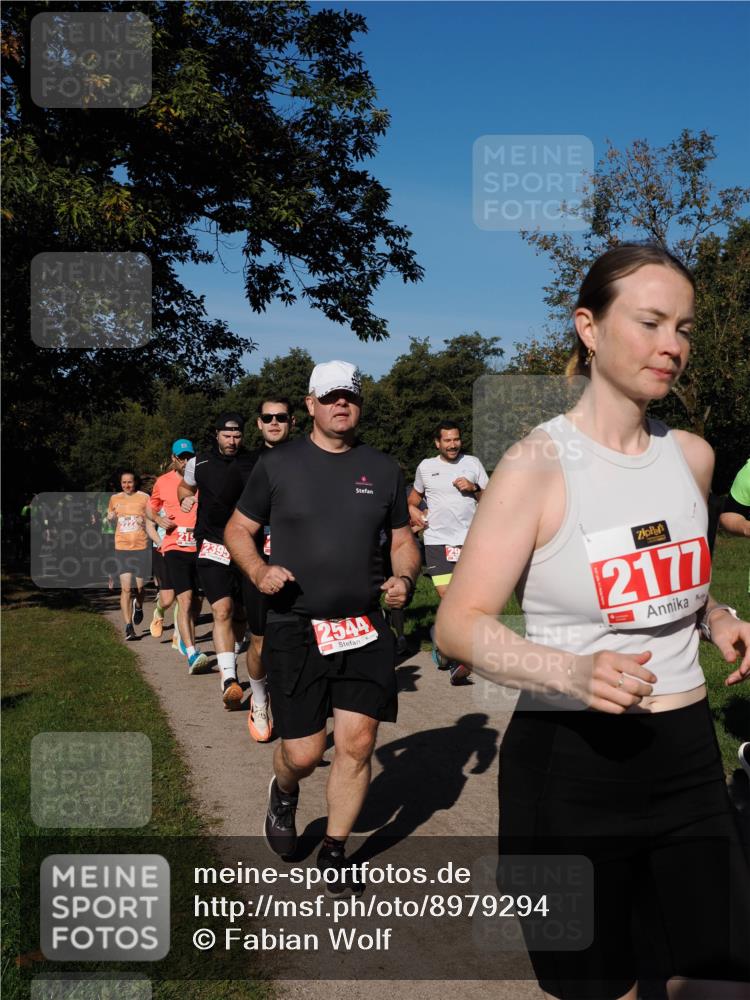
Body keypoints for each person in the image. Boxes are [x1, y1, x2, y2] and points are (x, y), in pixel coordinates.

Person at [435, 244, 750, 1000]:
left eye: (684, 328)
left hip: (687, 757)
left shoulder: (694, 456)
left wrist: (718, 617)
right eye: (648, 322)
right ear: (590, 326)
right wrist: (570, 671)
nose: (671, 345)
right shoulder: (536, 464)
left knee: (722, 977)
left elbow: (678, 583)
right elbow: (457, 623)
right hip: (573, 767)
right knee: (607, 988)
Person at [225, 360, 420, 891]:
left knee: (356, 744)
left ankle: (334, 851)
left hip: (363, 625)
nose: (342, 405)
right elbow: (237, 530)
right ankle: (285, 790)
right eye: (330, 397)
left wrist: (404, 576)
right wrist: (260, 570)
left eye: (350, 398)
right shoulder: (279, 464)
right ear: (310, 404)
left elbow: (402, 539)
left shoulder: (382, 468)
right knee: (307, 751)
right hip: (296, 624)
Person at [178, 413, 270, 738]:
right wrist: (185, 498)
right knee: (222, 609)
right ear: (216, 435)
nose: (232, 441)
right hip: (212, 545)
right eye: (227, 435)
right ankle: (229, 679)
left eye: (237, 436)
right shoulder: (198, 463)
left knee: (243, 616)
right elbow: (183, 487)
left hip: (247, 548)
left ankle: (241, 659)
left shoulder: (254, 462)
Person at [408, 421, 488, 684]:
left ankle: (441, 639)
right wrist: (417, 515)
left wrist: (474, 488)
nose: (453, 445)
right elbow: (412, 500)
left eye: (456, 440)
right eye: (447, 441)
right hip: (437, 542)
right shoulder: (426, 467)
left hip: (469, 541)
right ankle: (458, 658)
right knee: (450, 598)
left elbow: (492, 498)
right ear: (437, 443)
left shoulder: (473, 464)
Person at [238, 396, 296, 741]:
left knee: (299, 642)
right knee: (259, 642)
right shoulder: (244, 464)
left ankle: (301, 721)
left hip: (299, 565)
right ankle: (259, 700)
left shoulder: (308, 459)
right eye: (267, 417)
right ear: (258, 423)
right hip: (258, 565)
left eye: (281, 417)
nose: (274, 422)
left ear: (291, 421)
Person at [148, 439, 209, 674]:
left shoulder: (201, 479)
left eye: (189, 457)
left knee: (197, 602)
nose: (185, 461)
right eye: (181, 457)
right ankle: (192, 652)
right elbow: (150, 507)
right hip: (174, 545)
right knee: (183, 600)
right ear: (173, 458)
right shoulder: (163, 482)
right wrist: (158, 519)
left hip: (200, 544)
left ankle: (184, 636)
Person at [107, 470, 150, 640]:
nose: (127, 485)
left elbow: (152, 519)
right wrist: (109, 518)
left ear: (135, 482)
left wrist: (144, 521)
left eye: (130, 482)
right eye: (124, 482)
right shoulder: (114, 499)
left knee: (139, 588)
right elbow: (111, 518)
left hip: (140, 547)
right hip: (122, 547)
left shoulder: (144, 498)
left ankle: (138, 606)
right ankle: (128, 626)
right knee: (126, 588)